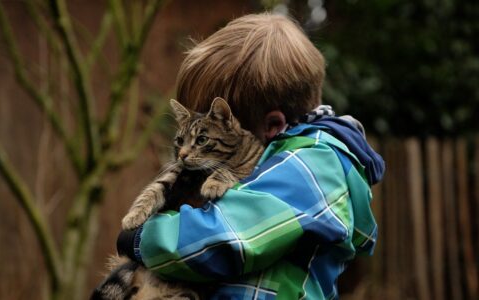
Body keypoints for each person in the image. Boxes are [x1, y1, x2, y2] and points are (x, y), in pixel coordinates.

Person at [117, 13, 385, 299]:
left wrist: (140, 239)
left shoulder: (315, 164)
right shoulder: (285, 162)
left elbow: (223, 240)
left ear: (272, 126)